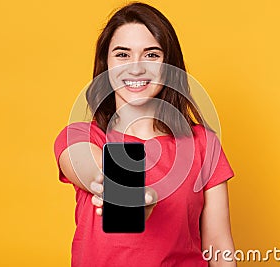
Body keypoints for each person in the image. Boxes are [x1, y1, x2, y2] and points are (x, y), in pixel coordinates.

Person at [53, 2, 236, 266]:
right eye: (122, 55)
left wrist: (144, 199)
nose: (136, 68)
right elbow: (89, 168)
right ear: (106, 64)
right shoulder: (82, 136)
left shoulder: (203, 144)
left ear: (169, 64)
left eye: (151, 54)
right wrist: (131, 196)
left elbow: (219, 246)